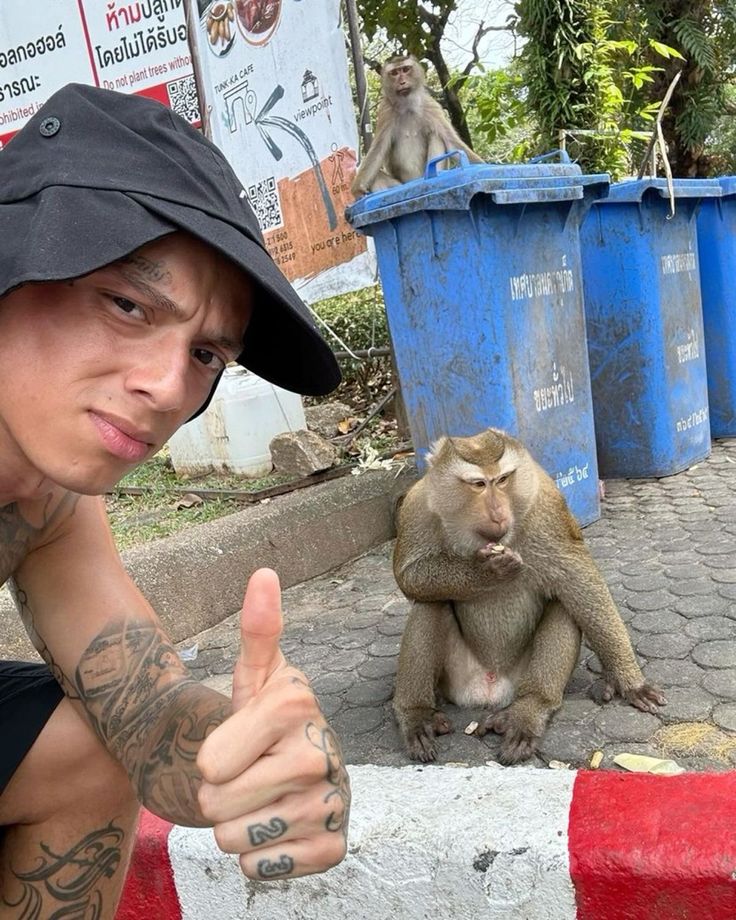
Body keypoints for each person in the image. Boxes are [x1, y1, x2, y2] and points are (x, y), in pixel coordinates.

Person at [0, 83, 350, 917]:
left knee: (84, 744)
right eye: (126, 305)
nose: (165, 387)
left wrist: (256, 763)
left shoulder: (45, 504)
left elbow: (146, 715)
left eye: (204, 354)